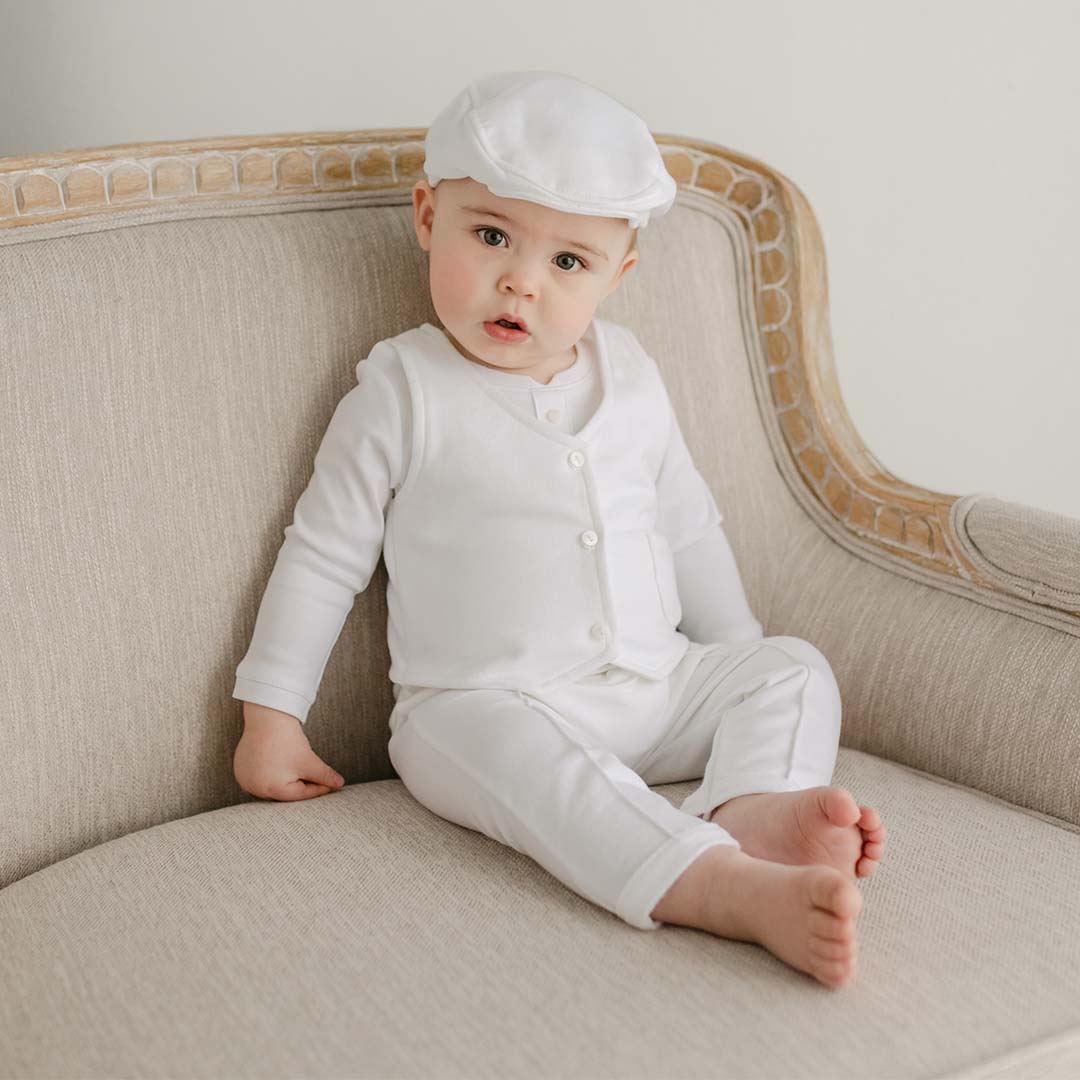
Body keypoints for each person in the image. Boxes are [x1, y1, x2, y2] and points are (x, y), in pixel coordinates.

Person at [231, 70, 887, 990]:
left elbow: (687, 522)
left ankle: (752, 806)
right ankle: (720, 886)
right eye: (492, 235)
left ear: (618, 274)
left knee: (791, 666)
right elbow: (322, 555)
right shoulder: (401, 392)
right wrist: (271, 718)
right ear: (427, 216)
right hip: (483, 707)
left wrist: (734, 653)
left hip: (653, 695)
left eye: (567, 262)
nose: (520, 281)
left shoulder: (635, 375)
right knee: (546, 777)